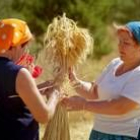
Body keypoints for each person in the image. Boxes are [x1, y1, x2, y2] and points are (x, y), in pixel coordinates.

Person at [63, 21, 140, 140]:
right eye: (120, 41)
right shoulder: (115, 63)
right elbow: (94, 92)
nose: (120, 46)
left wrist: (84, 105)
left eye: (126, 43)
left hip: (123, 136)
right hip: (99, 133)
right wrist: (73, 80)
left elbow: (121, 107)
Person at [0, 18, 61, 140]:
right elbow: (43, 116)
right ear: (16, 45)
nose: (25, 51)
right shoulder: (18, 73)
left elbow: (7, 98)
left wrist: (35, 89)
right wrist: (55, 95)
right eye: (24, 46)